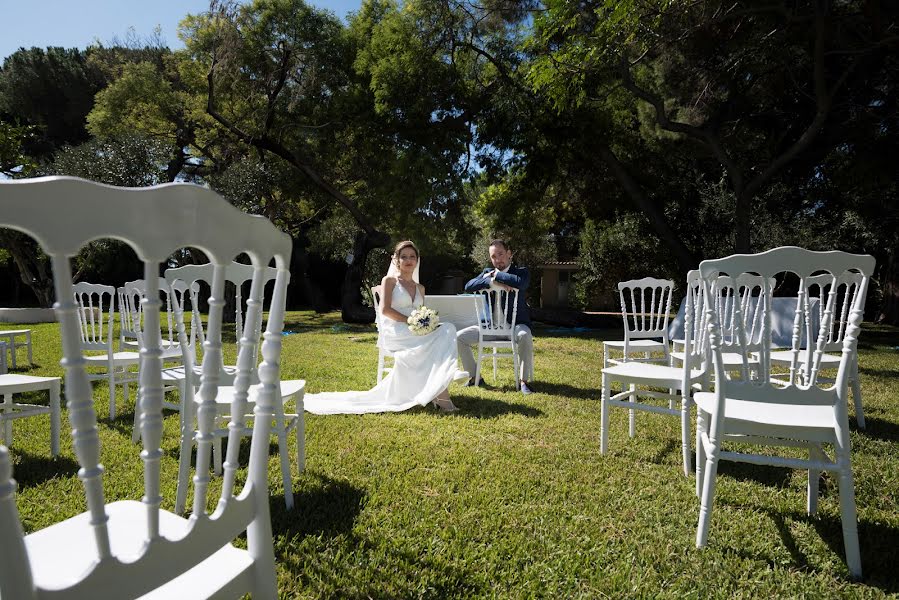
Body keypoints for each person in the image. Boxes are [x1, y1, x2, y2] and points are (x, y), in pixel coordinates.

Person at [304, 240, 466, 415]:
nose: (408, 260)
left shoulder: (420, 288)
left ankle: (445, 382)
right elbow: (385, 310)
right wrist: (411, 321)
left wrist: (425, 322)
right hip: (396, 330)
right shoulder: (389, 281)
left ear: (417, 260)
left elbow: (420, 312)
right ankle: (445, 384)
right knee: (434, 342)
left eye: (412, 256)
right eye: (404, 256)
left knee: (447, 327)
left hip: (414, 330)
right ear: (396, 260)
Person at [456, 239, 535, 394]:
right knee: (459, 337)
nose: (497, 259)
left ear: (509, 254)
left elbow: (521, 283)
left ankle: (523, 381)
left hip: (515, 326)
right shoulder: (488, 273)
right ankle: (475, 377)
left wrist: (497, 276)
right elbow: (468, 286)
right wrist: (492, 280)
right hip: (489, 328)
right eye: (493, 256)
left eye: (500, 254)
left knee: (525, 335)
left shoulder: (521, 272)